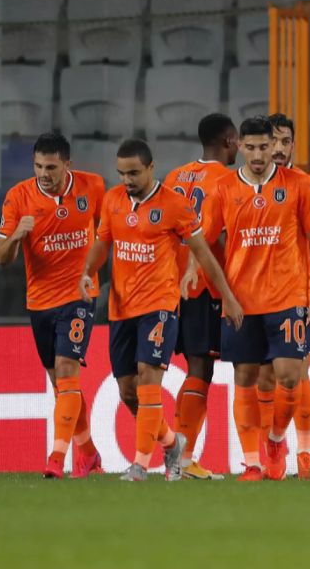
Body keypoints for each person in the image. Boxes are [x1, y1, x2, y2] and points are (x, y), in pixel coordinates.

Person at [79, 139, 243, 481]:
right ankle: (171, 444)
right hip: (121, 308)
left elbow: (204, 253)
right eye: (122, 173)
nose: (127, 179)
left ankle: (140, 465)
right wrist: (87, 273)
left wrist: (226, 295)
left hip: (160, 305)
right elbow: (101, 245)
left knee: (148, 376)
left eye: (134, 172)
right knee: (128, 390)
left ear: (151, 168)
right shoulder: (113, 201)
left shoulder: (174, 204)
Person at [197, 116, 310, 482]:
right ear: (239, 146)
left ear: (275, 146)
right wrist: (224, 294)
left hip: (288, 296)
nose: (257, 154)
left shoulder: (298, 184)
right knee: (247, 376)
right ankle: (253, 463)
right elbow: (204, 243)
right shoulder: (223, 188)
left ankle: (276, 439)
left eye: (263, 147)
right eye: (249, 147)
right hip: (241, 300)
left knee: (289, 375)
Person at [0, 132, 105, 479]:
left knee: (67, 369)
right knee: (62, 385)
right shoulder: (18, 197)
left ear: (67, 164)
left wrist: (92, 270)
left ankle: (57, 458)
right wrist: (16, 236)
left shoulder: (93, 187)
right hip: (40, 302)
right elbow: (0, 258)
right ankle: (88, 453)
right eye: (39, 166)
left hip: (79, 296)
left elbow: (110, 230)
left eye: (52, 167)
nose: (44, 173)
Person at [165, 113, 239, 480]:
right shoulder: (228, 180)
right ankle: (181, 458)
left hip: (173, 282)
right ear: (228, 140)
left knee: (196, 368)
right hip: (207, 284)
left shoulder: (175, 176)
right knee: (201, 369)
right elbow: (212, 234)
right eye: (237, 139)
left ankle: (179, 456)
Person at [248, 113, 310, 480]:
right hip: (255, 297)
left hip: (297, 292)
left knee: (297, 374)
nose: (277, 148)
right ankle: (269, 448)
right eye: (271, 140)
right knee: (263, 377)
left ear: (293, 146)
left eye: (284, 141)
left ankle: (304, 451)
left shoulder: (302, 184)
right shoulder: (246, 184)